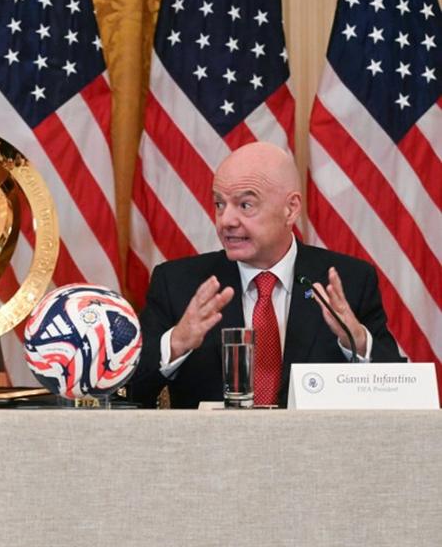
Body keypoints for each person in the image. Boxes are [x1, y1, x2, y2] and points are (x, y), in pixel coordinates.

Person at [128, 142, 403, 409]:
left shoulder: (349, 281)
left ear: (291, 209)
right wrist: (175, 344)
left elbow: (401, 392)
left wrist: (356, 340)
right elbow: (127, 391)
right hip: (210, 453)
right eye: (219, 204)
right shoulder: (178, 283)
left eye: (245, 205)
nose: (226, 220)